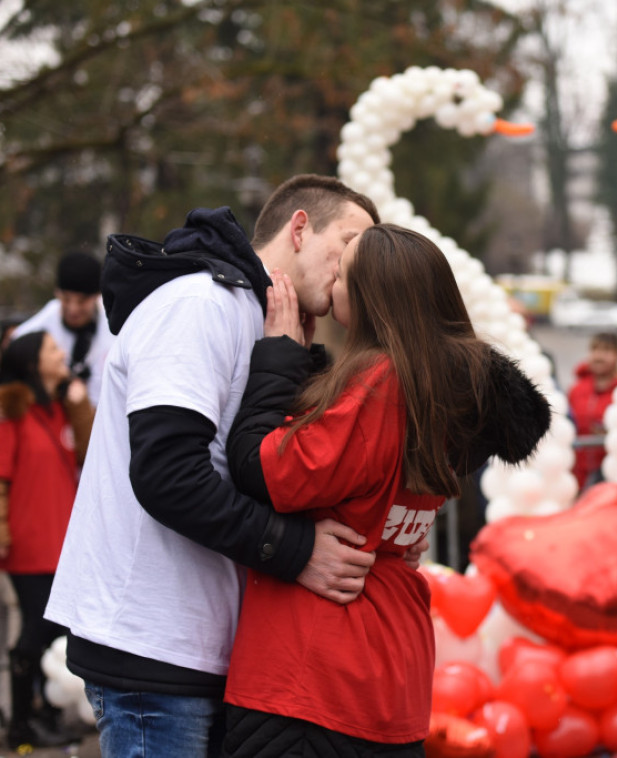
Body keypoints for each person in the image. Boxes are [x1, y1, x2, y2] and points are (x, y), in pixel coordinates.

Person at [44, 175, 400, 758]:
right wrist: (297, 551)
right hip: (151, 652)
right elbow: (168, 475)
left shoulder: (258, 319)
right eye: (349, 242)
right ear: (301, 227)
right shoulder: (199, 304)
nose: (352, 267)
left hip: (200, 648)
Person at [220, 224, 551, 756]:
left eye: (343, 274)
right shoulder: (440, 388)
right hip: (390, 666)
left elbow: (265, 470)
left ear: (373, 297)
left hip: (316, 675)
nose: (332, 280)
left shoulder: (381, 382)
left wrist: (278, 359)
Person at [0, 331, 93, 749]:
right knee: (35, 635)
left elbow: (86, 455)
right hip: (28, 545)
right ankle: (21, 720)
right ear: (33, 364)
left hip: (62, 543)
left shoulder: (58, 410)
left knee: (55, 634)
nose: (61, 353)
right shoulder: (12, 414)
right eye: (52, 349)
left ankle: (46, 714)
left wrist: (78, 406)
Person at [13, 251, 116, 406]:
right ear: (56, 293)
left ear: (97, 296)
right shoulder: (39, 327)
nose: (73, 309)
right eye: (66, 299)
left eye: (82, 301)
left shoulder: (114, 326)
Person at [568, 331, 617, 491]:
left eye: (606, 351)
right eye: (595, 350)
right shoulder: (576, 390)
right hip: (577, 475)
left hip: (611, 473)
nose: (599, 356)